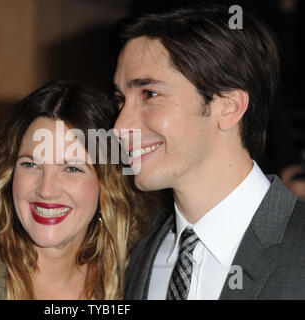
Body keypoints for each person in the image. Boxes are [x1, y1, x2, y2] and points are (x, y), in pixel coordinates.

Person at [111, 2, 305, 299]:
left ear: (228, 106)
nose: (119, 127)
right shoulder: (133, 254)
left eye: (150, 94)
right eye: (121, 100)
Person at [0, 80, 152, 300]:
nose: (46, 190)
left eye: (72, 169)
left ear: (107, 184)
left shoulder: (136, 273)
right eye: (30, 164)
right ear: (9, 172)